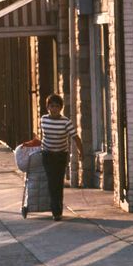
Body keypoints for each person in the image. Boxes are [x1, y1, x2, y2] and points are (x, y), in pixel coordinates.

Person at [40, 93, 83, 221]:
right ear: (48, 107)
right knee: (51, 181)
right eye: (52, 106)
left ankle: (57, 209)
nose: (54, 109)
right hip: (47, 154)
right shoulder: (43, 119)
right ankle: (55, 211)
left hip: (60, 155)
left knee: (58, 182)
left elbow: (76, 138)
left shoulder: (66, 122)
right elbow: (43, 137)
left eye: (57, 106)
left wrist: (82, 152)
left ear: (61, 108)